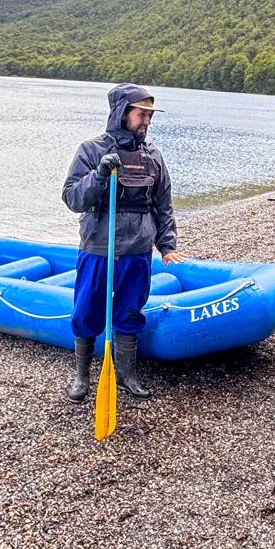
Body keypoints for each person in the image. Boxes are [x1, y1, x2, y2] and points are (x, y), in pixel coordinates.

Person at [62, 84, 184, 401]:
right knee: (86, 310)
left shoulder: (153, 156)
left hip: (137, 250)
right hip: (98, 247)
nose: (146, 121)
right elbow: (72, 198)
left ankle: (126, 375)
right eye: (141, 114)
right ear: (122, 114)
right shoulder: (91, 150)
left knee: (130, 311)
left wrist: (167, 245)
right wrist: (100, 175)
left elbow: (163, 205)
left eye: (149, 116)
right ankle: (81, 378)